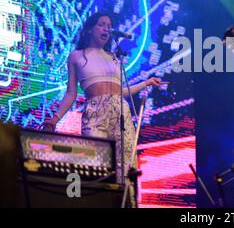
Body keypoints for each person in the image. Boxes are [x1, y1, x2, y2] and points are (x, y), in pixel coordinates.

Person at [40, 12, 164, 187]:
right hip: (95, 112)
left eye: (109, 26)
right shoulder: (77, 56)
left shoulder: (114, 58)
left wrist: (146, 83)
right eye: (101, 24)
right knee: (97, 163)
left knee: (125, 165)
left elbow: (120, 91)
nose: (106, 28)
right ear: (90, 29)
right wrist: (54, 119)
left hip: (120, 110)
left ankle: (125, 200)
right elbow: (71, 93)